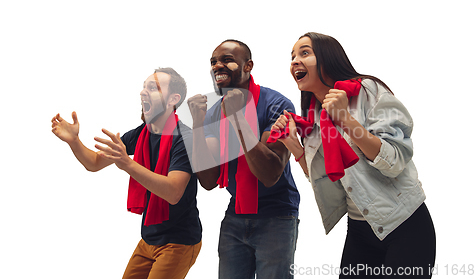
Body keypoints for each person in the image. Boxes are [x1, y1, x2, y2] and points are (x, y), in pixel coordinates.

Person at [270, 32, 436, 278]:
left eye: (305, 52)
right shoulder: (314, 116)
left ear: (328, 57)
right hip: (360, 230)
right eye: (292, 56)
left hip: (405, 225)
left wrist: (345, 119)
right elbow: (325, 179)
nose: (294, 61)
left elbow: (395, 160)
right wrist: (293, 144)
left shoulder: (368, 91)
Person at [51, 68, 202, 279]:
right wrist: (74, 142)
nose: (143, 92)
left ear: (173, 99)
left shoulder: (185, 138)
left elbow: (173, 192)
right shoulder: (141, 133)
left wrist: (128, 164)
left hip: (179, 241)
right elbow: (94, 163)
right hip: (149, 239)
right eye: (143, 86)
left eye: (153, 88)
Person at [187, 39, 300, 279]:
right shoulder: (212, 114)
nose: (218, 66)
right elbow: (208, 180)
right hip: (236, 214)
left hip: (276, 213)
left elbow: (270, 173)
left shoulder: (276, 104)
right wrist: (197, 124)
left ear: (248, 66)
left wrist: (238, 117)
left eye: (227, 60)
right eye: (213, 62)